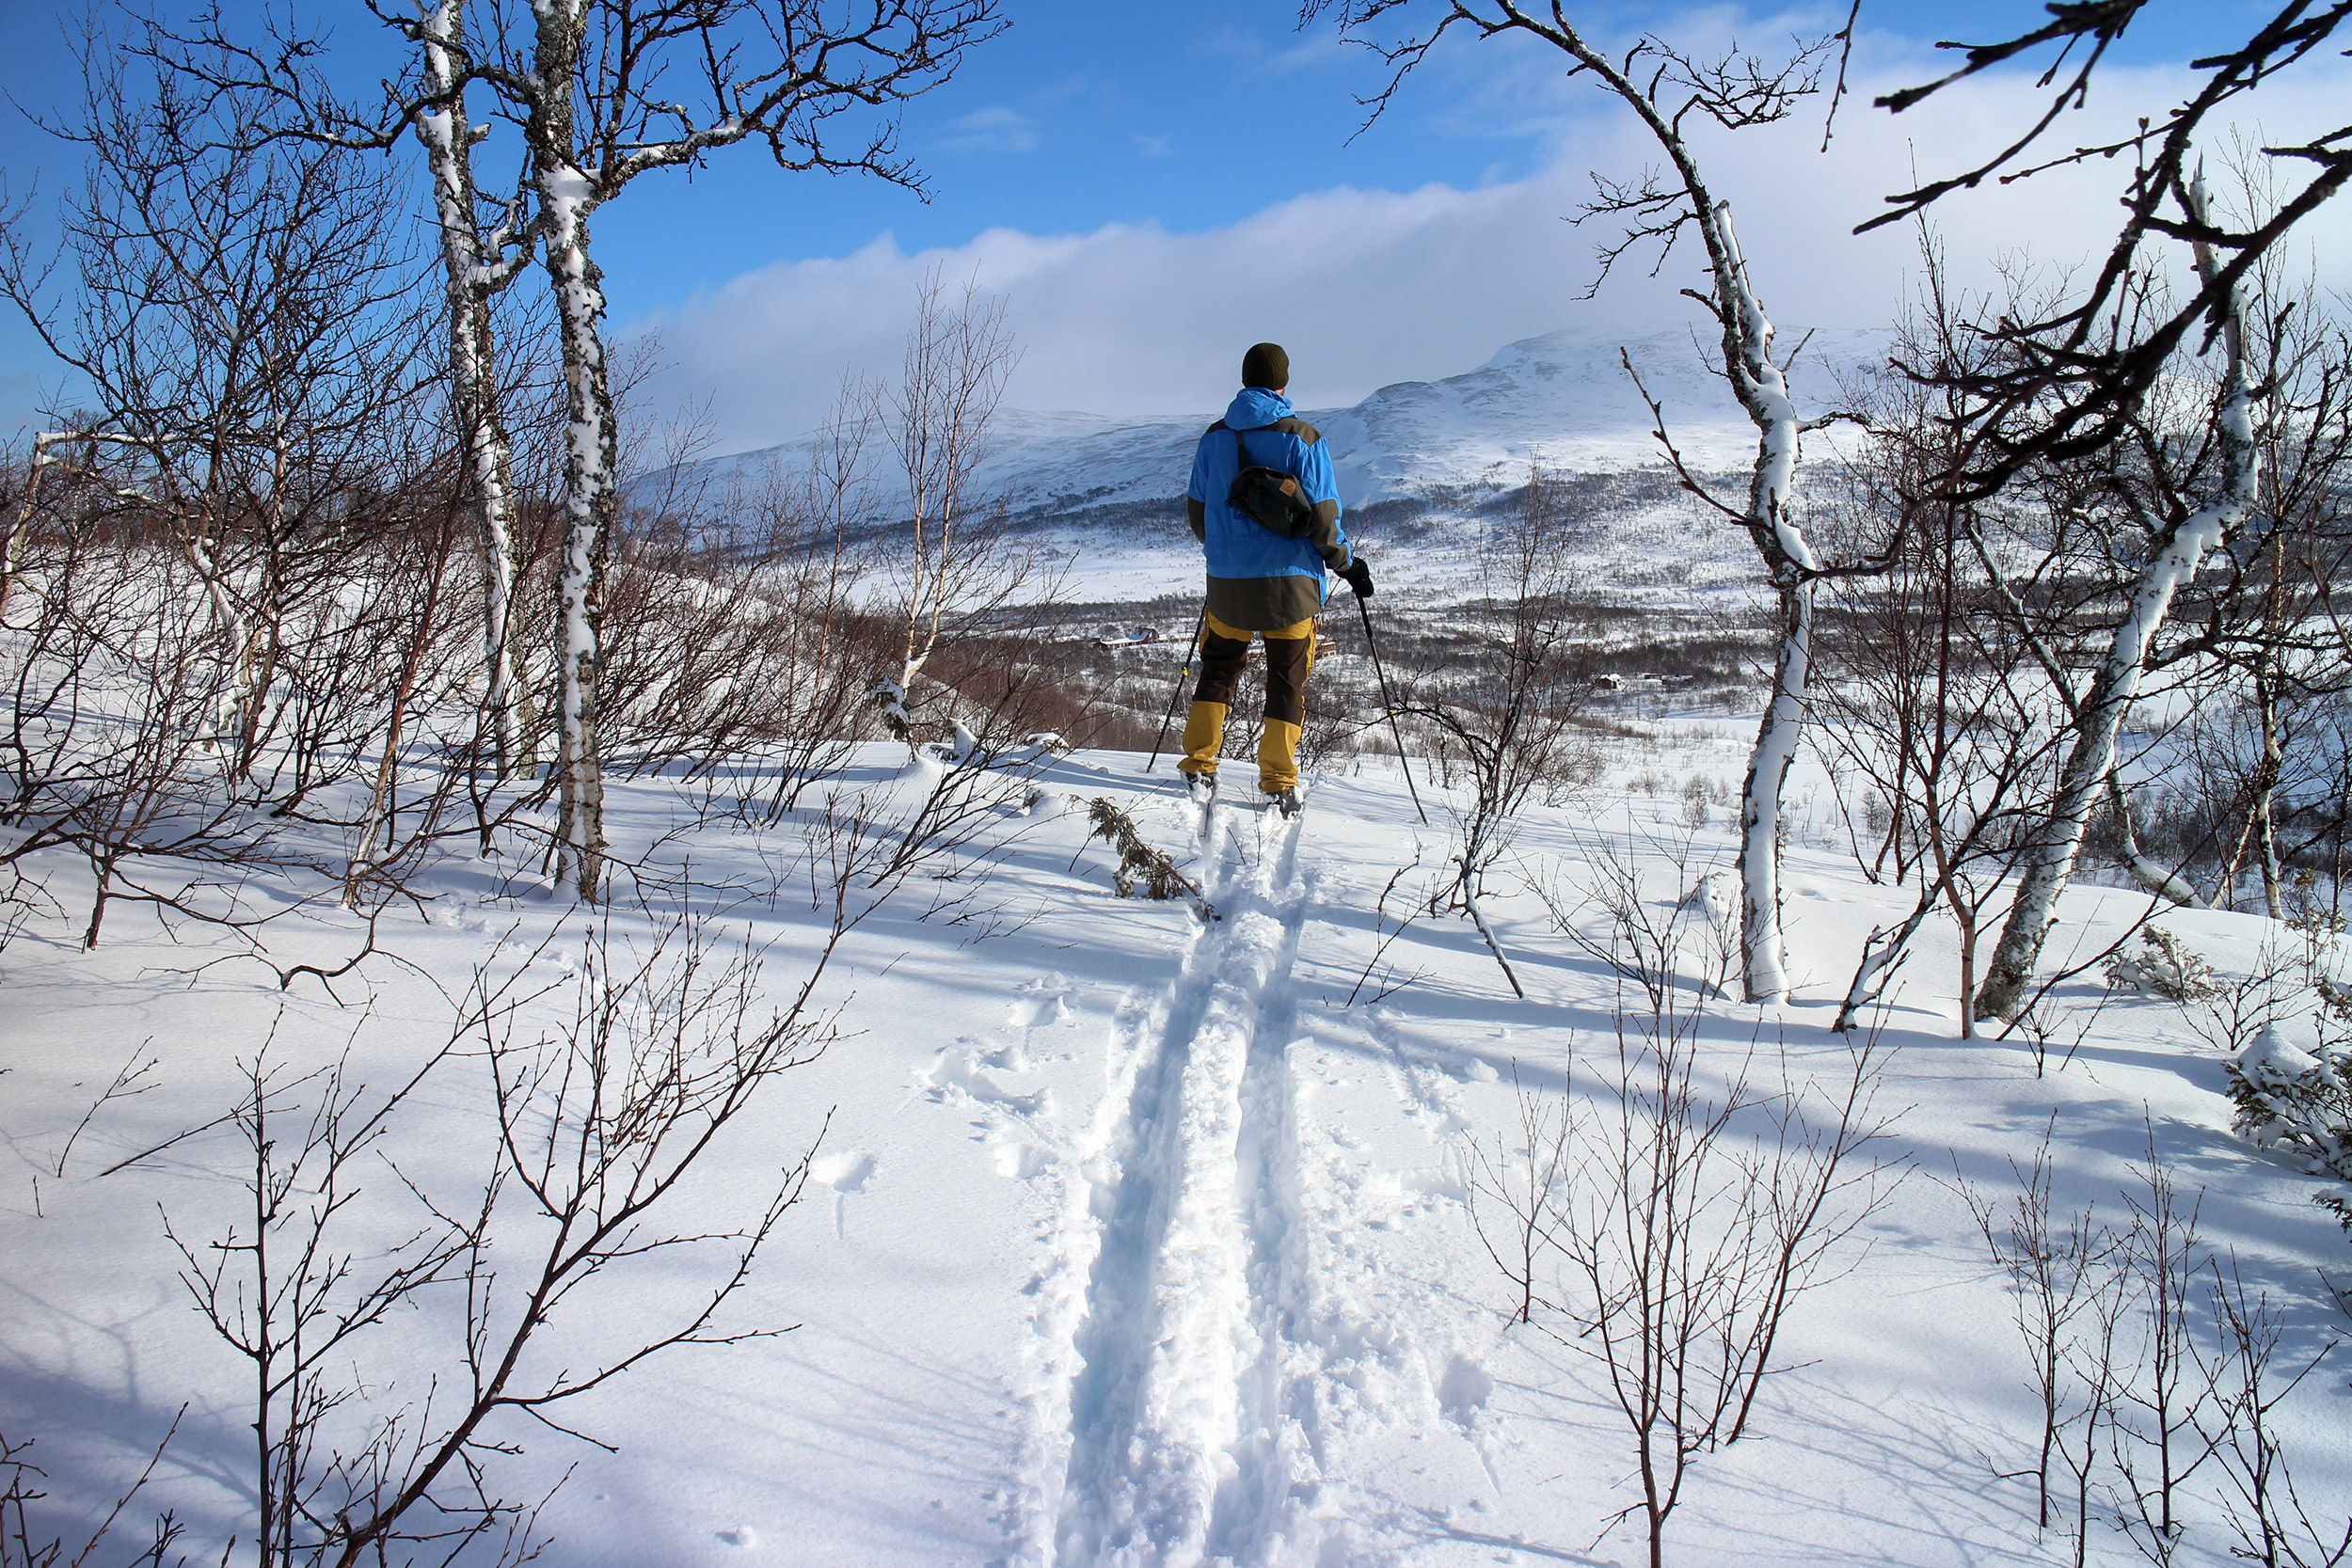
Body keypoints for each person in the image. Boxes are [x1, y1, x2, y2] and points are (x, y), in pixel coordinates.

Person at [1178, 341, 1374, 814]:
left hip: (1226, 584)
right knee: (1286, 680)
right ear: (1283, 383)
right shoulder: (1302, 438)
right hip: (1290, 586)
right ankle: (1278, 782)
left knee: (1220, 669)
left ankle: (1199, 764)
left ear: (1245, 380)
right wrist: (1348, 566)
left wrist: (1227, 553)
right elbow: (1325, 519)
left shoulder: (1213, 438)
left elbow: (1198, 515)